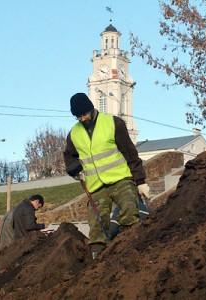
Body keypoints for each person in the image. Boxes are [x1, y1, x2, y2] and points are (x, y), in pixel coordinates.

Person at [64, 92, 150, 259]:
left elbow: (130, 153)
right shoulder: (73, 134)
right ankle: (98, 257)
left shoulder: (113, 123)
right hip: (96, 185)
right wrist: (73, 168)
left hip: (120, 179)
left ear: (91, 109)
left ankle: (130, 248)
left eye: (84, 114)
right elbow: (68, 155)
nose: (82, 119)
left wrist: (140, 181)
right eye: (78, 117)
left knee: (129, 208)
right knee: (96, 222)